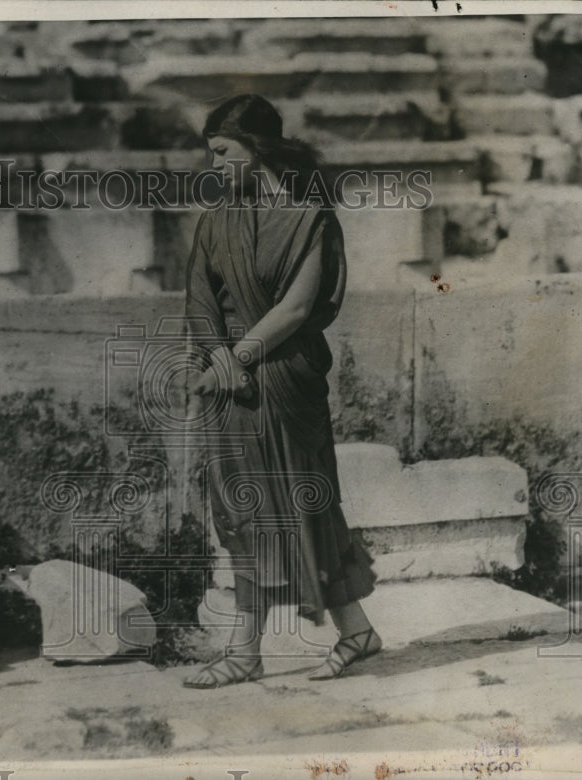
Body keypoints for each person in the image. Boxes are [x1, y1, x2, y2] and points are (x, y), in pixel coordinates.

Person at [180, 94, 381, 688]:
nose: (215, 165)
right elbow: (199, 300)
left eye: (224, 152)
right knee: (242, 514)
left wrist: (239, 357)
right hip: (230, 387)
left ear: (257, 147)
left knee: (303, 508)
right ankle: (251, 651)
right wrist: (220, 361)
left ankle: (353, 634)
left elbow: (295, 309)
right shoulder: (216, 220)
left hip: (286, 379)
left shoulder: (311, 218)